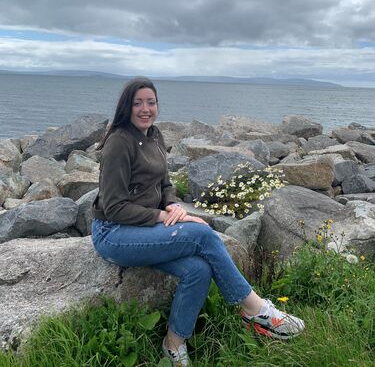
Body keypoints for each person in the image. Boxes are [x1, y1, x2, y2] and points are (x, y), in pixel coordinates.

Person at [91, 77, 305, 366]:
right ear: (126, 107)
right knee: (202, 235)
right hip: (114, 233)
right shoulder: (119, 142)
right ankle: (255, 309)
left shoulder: (155, 135)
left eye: (151, 102)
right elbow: (114, 207)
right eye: (137, 103)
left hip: (144, 228)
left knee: (199, 269)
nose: (145, 109)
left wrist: (172, 204)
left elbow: (164, 182)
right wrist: (162, 216)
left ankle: (173, 343)